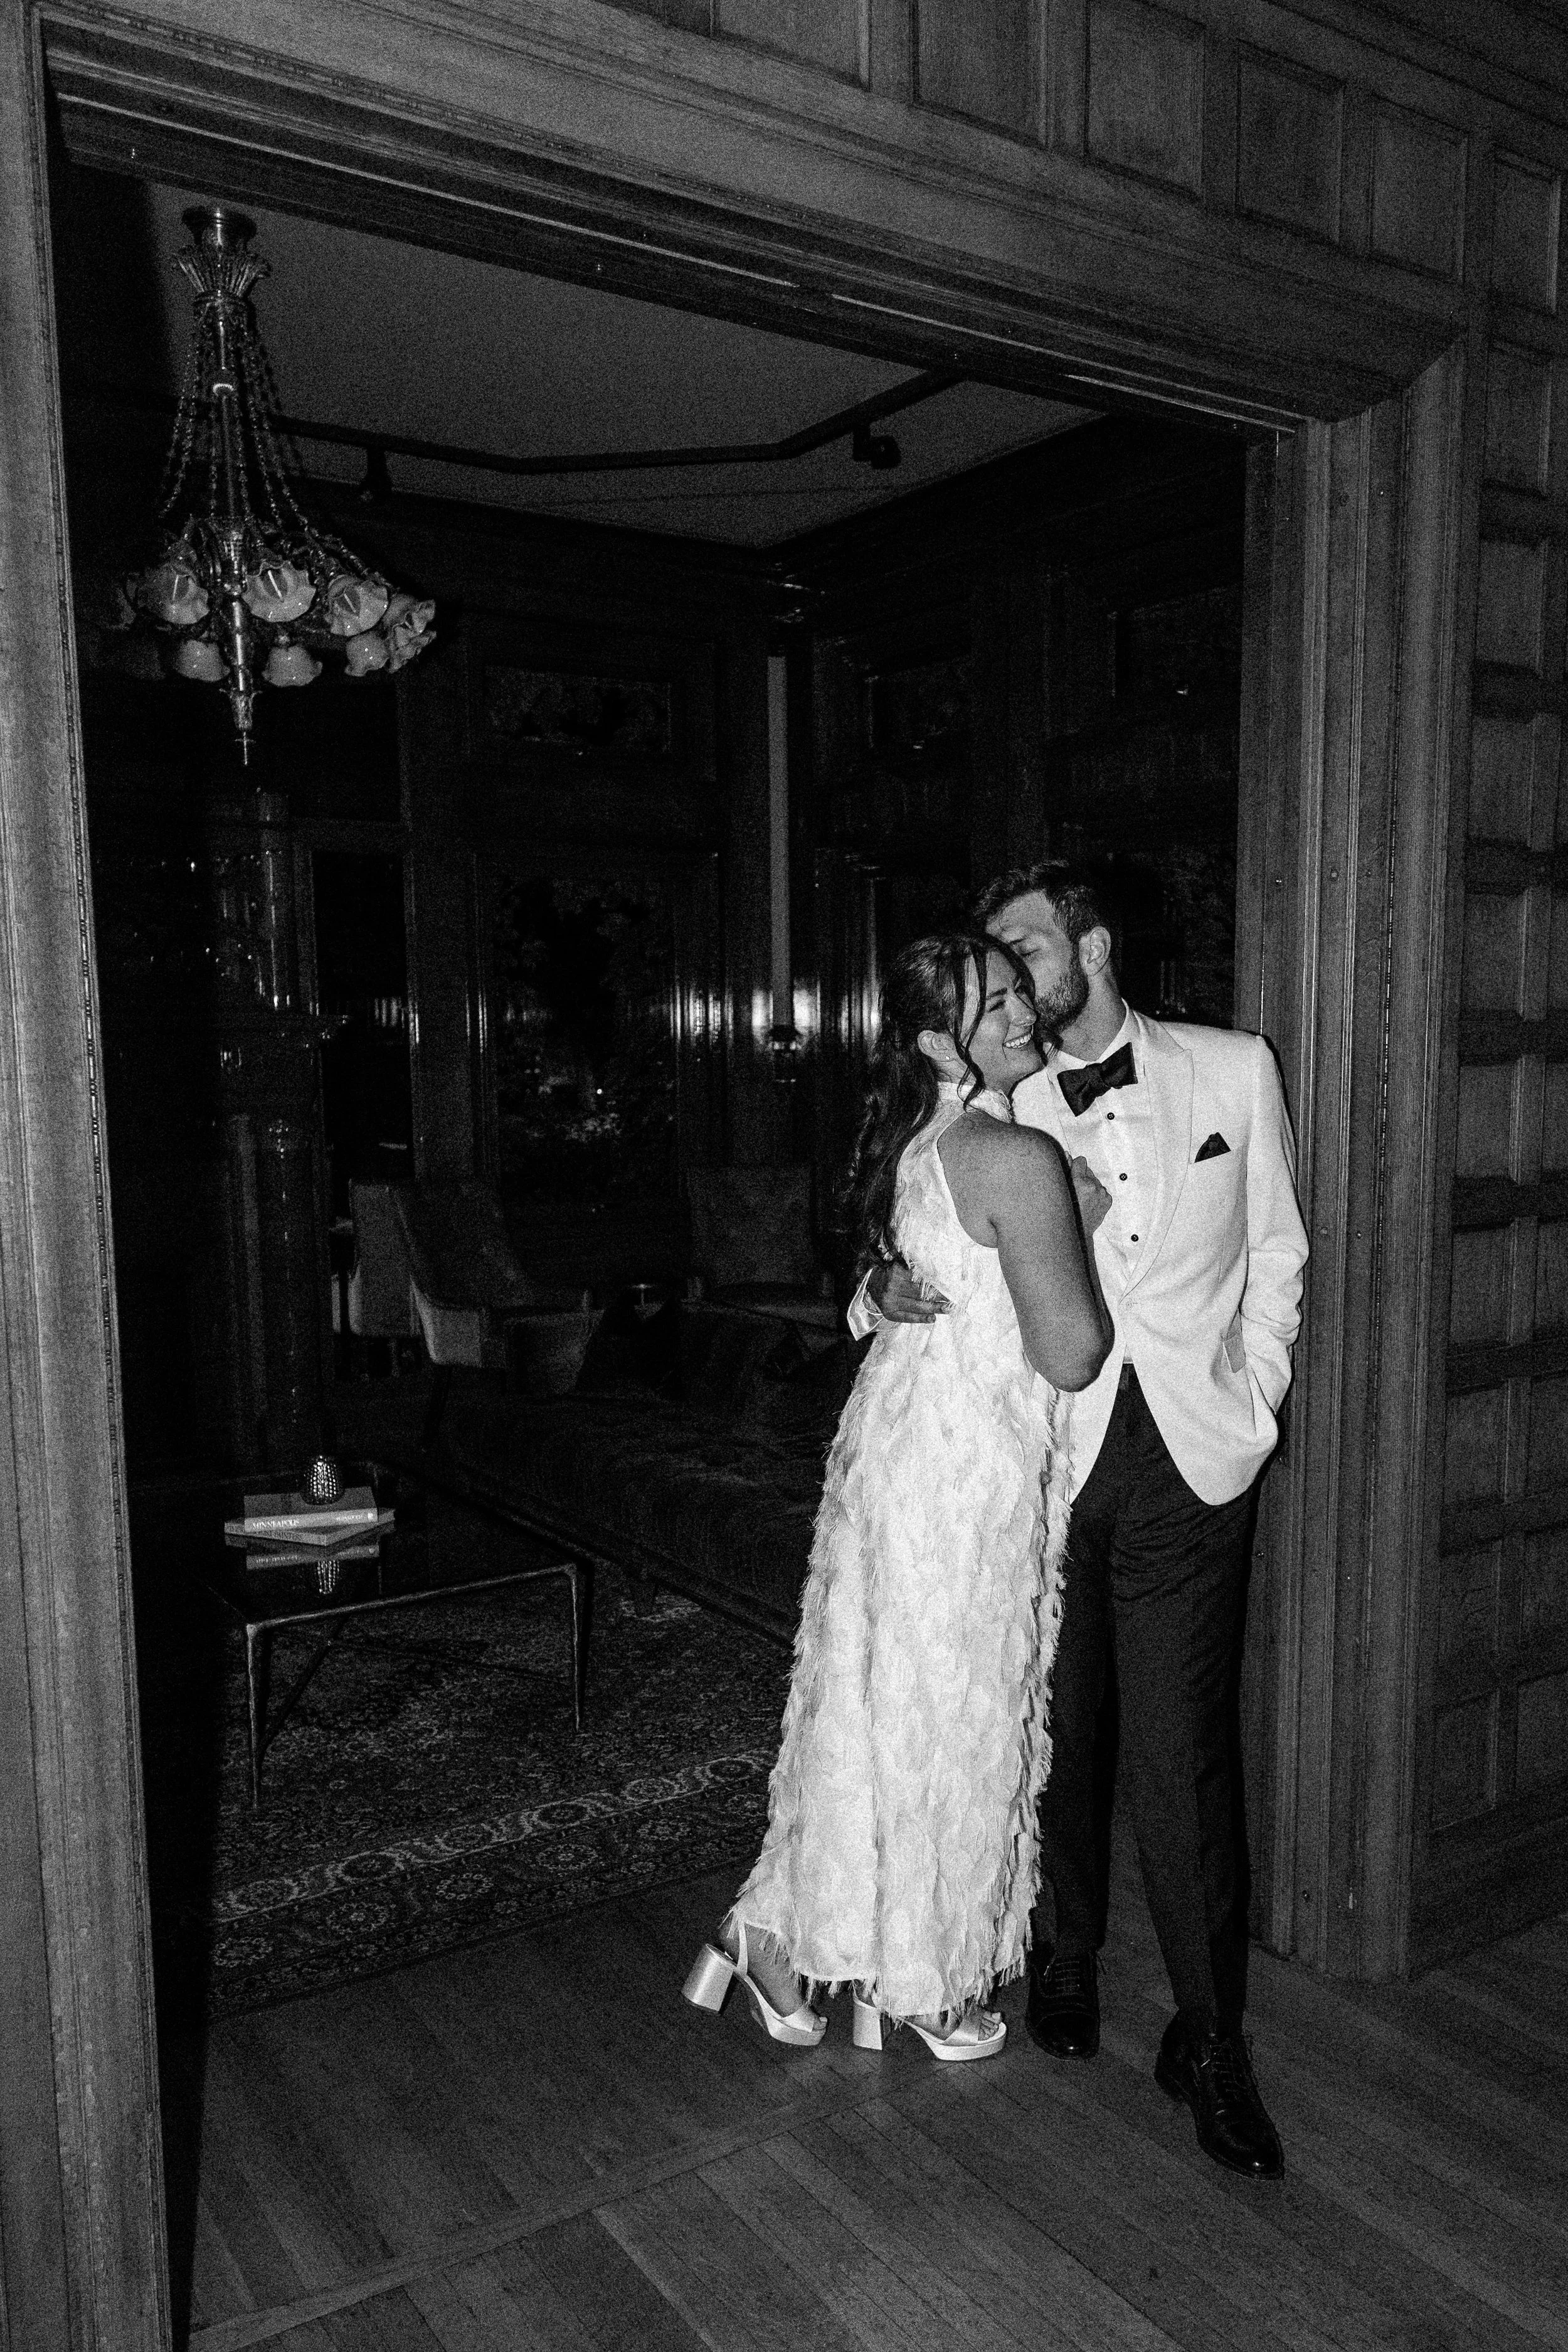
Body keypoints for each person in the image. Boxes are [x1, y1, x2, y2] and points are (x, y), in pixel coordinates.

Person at [854, 864, 1308, 2178]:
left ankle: (1209, 2039)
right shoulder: (986, 1099)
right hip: (1030, 1467)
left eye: (1025, 943)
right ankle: (1060, 1958)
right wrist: (876, 1290)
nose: (1003, 969)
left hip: (1186, 1465)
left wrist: (1254, 1391)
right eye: (990, 953)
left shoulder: (1231, 1069)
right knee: (1051, 1725)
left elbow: (1275, 1251)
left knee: (1178, 1756)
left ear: (1091, 946)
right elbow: (897, 1248)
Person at [684, 934, 1111, 2060]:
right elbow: (1070, 1351)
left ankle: (778, 1931)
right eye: (991, 1008)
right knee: (950, 1717)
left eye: (1020, 994)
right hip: (962, 1475)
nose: (1021, 1015)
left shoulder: (919, 1142)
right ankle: (919, 1981)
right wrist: (1079, 1223)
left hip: (894, 1452)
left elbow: (909, 1275)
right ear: (936, 1042)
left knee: (875, 1712)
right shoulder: (1011, 1156)